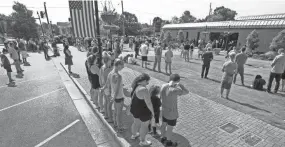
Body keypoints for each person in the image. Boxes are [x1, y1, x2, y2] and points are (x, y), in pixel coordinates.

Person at [160, 74, 189, 146]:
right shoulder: (175, 90)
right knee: (169, 128)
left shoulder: (163, 86)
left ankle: (162, 137)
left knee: (163, 124)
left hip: (164, 110)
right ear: (178, 81)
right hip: (172, 113)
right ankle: (168, 142)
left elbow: (160, 97)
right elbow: (186, 92)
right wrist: (181, 85)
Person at [130, 73, 154, 146]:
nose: (148, 83)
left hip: (135, 109)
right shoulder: (144, 89)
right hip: (143, 111)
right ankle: (143, 141)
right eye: (147, 81)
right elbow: (149, 103)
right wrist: (153, 112)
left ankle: (134, 135)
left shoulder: (135, 86)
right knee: (144, 126)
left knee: (135, 123)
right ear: (143, 80)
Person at [103, 59, 126, 132]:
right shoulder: (118, 76)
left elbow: (107, 84)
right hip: (119, 97)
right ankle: (120, 127)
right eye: (122, 65)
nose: (123, 66)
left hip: (114, 96)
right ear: (118, 65)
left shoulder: (110, 73)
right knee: (119, 113)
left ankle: (116, 124)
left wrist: (102, 89)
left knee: (116, 112)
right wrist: (115, 97)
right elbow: (117, 89)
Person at [99, 52, 113, 119]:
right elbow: (109, 81)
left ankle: (106, 114)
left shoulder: (102, 67)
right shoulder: (108, 69)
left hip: (103, 87)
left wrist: (101, 86)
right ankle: (109, 116)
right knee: (109, 103)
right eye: (110, 60)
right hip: (107, 88)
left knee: (106, 101)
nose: (111, 61)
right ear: (108, 61)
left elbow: (100, 78)